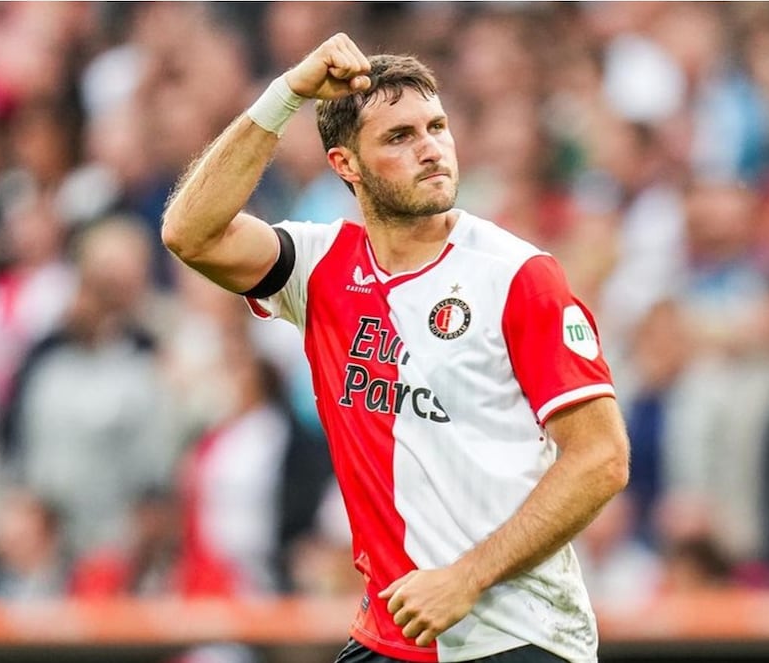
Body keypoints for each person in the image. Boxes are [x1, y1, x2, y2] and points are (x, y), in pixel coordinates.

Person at [162, 33, 629, 663]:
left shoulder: (516, 275)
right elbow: (189, 232)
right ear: (344, 165)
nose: (431, 149)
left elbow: (601, 458)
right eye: (400, 137)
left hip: (517, 637)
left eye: (437, 127)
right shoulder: (320, 267)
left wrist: (466, 575)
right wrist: (286, 94)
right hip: (392, 635)